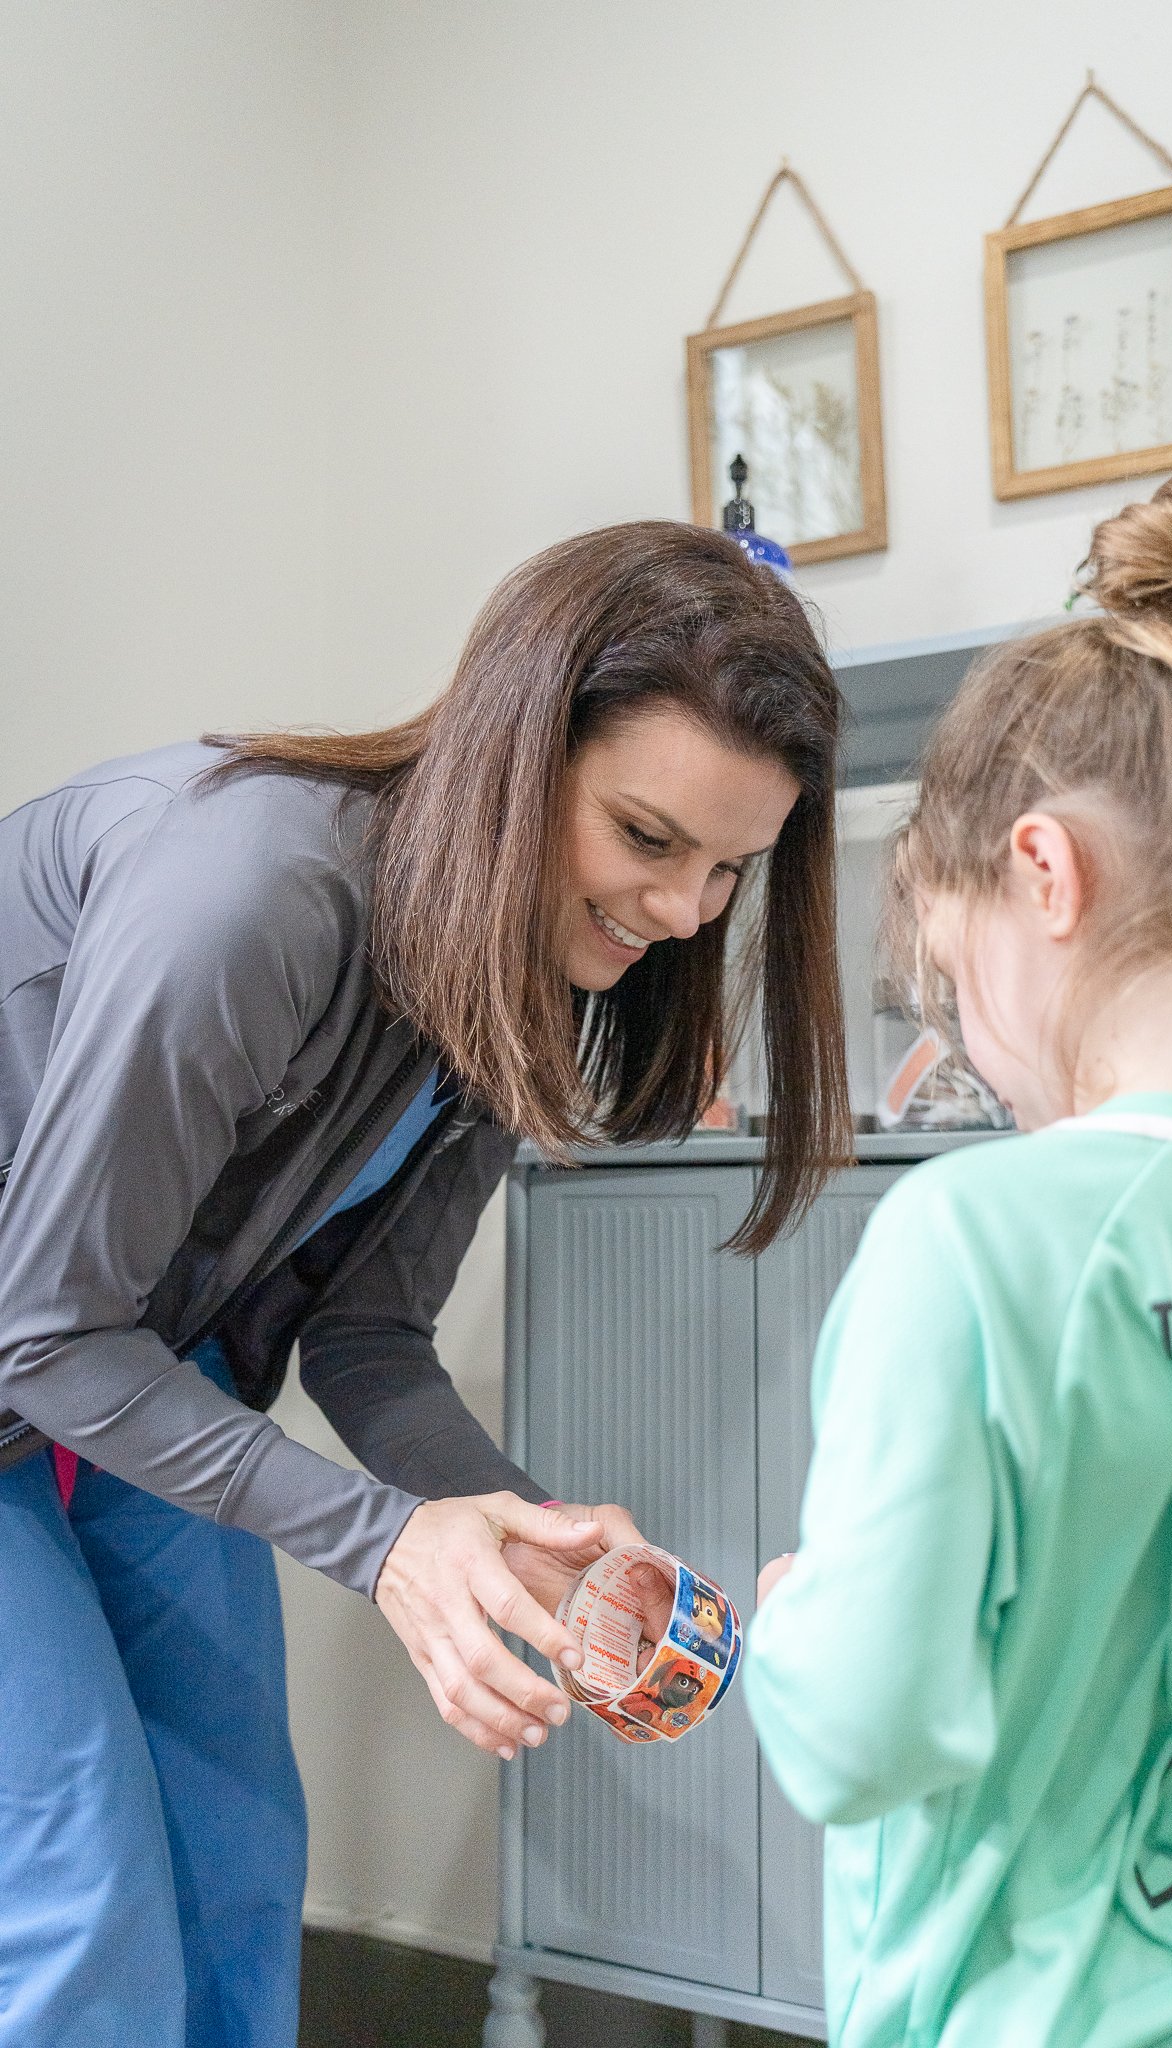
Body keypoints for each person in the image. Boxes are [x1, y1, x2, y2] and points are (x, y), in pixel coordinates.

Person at [0, 520, 850, 2048]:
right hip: (51, 1336)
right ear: (518, 754)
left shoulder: (518, 968)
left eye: (730, 868)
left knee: (235, 1857)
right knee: (81, 1883)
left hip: (126, 1351)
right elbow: (46, 1329)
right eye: (648, 841)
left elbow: (371, 1336)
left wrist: (511, 1530)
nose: (681, 914)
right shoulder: (243, 894)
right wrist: (390, 1543)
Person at [745, 473, 1172, 2047]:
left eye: (955, 986)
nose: (977, 1056)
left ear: (1042, 874)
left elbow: (865, 1734)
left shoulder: (973, 1239)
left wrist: (795, 1620)